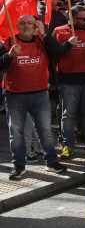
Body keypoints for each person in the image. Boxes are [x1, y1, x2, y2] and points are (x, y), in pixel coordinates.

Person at [2, 14, 68, 179]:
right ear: (17, 26)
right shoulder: (8, 42)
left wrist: (44, 34)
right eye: (22, 23)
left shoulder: (42, 41)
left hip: (39, 94)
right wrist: (8, 55)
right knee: (16, 133)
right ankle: (18, 166)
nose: (26, 26)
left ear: (35, 26)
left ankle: (51, 162)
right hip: (15, 96)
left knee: (45, 131)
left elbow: (59, 51)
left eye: (30, 23)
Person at [45, 4, 85, 158]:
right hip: (68, 81)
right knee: (68, 115)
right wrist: (67, 44)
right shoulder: (60, 31)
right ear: (72, 19)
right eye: (84, 19)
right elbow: (52, 53)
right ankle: (67, 144)